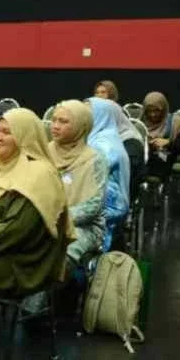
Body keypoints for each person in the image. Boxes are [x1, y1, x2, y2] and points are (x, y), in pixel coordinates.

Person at [0, 108, 69, 360]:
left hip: (21, 261)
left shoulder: (38, 174)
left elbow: (15, 230)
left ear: (26, 138)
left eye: (8, 133)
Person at [49, 101, 107, 277]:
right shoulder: (45, 151)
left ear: (81, 127)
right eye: (54, 120)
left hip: (83, 227)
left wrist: (57, 219)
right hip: (45, 221)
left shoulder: (95, 159)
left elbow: (93, 206)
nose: (55, 126)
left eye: (63, 122)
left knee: (52, 259)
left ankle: (34, 305)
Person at [87, 97, 131, 251]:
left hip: (105, 215)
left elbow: (97, 193)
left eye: (87, 114)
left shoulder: (103, 146)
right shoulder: (104, 137)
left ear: (100, 116)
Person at [142, 91, 180, 181]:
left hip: (165, 158)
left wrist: (168, 142)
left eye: (156, 110)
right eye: (149, 111)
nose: (153, 114)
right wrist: (148, 144)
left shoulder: (175, 121)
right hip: (145, 158)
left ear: (164, 109)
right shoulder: (141, 123)